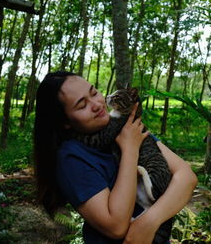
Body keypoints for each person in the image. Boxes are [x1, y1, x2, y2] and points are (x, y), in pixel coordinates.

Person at [33, 71, 197, 244]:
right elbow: (116, 226)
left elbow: (186, 176)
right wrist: (130, 150)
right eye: (82, 105)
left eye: (94, 92)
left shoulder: (126, 126)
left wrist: (149, 222)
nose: (96, 104)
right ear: (64, 121)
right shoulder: (72, 157)